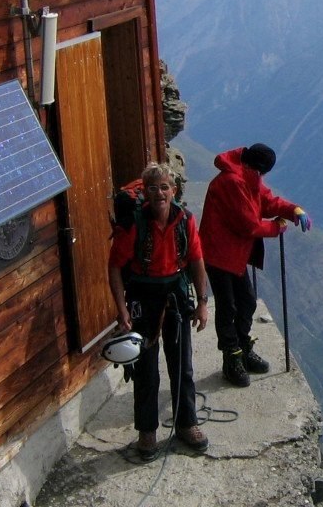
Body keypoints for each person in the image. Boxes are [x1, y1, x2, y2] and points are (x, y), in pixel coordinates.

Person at [108, 162, 211, 461]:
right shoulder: (133, 225)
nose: (159, 193)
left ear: (173, 190)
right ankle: (147, 431)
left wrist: (202, 302)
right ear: (145, 192)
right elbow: (114, 267)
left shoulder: (185, 220)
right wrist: (121, 309)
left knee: (182, 365)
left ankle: (186, 423)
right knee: (146, 370)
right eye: (152, 188)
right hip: (143, 296)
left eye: (164, 187)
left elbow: (196, 259)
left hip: (176, 295)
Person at [200, 143, 311, 387]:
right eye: (263, 173)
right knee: (228, 307)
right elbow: (248, 224)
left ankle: (242, 347)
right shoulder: (232, 182)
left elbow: (267, 201)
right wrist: (277, 227)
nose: (263, 178)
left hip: (234, 254)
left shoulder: (246, 176)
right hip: (219, 255)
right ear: (258, 168)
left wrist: (294, 210)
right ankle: (232, 358)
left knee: (247, 301)